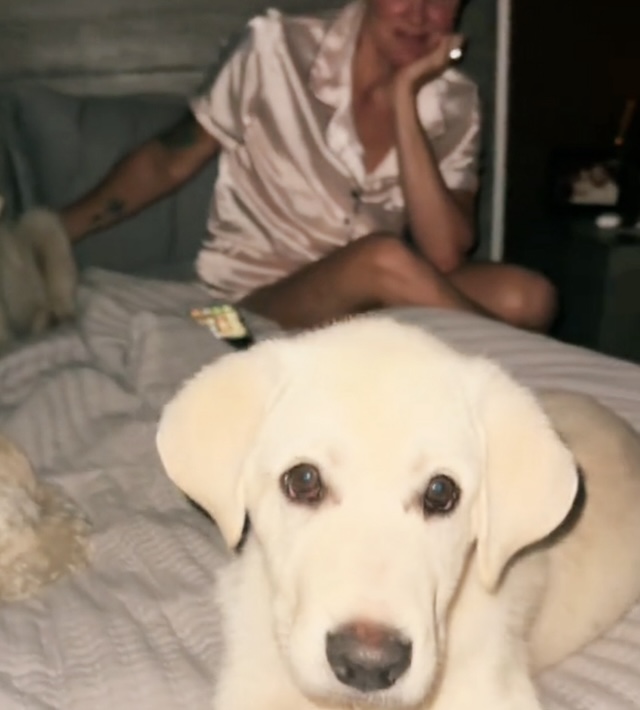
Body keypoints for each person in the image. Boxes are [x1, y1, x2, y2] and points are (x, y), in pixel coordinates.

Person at [57, 0, 557, 331]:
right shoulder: (275, 49)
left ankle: (476, 359)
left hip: (367, 303)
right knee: (380, 257)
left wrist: (406, 96)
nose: (421, 14)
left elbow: (446, 254)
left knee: (528, 297)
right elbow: (168, 160)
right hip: (251, 306)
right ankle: (512, 375)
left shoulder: (455, 100)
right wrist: (53, 233)